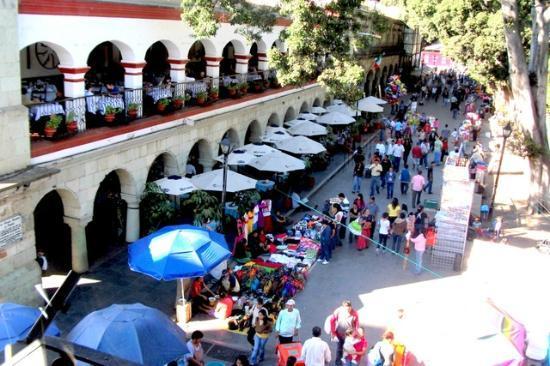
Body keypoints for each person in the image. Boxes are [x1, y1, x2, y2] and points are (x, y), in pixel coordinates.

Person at [329, 300, 359, 365]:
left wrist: (356, 333)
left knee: (348, 349)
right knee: (339, 349)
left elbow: (357, 324)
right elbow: (332, 320)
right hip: (339, 334)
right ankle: (337, 363)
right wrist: (333, 332)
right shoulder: (338, 311)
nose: (348, 311)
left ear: (351, 306)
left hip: (349, 336)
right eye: (346, 309)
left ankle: (347, 363)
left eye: (349, 308)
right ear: (343, 307)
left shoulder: (355, 313)